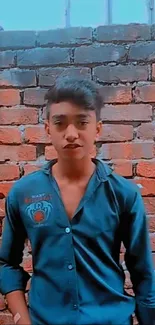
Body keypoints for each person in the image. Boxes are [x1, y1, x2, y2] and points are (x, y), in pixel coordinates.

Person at [0, 77, 154, 325]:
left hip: (110, 319)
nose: (71, 134)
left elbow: (143, 273)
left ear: (98, 128)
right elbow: (6, 263)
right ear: (48, 128)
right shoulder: (23, 194)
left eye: (82, 122)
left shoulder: (124, 194)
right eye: (60, 123)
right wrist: (21, 319)